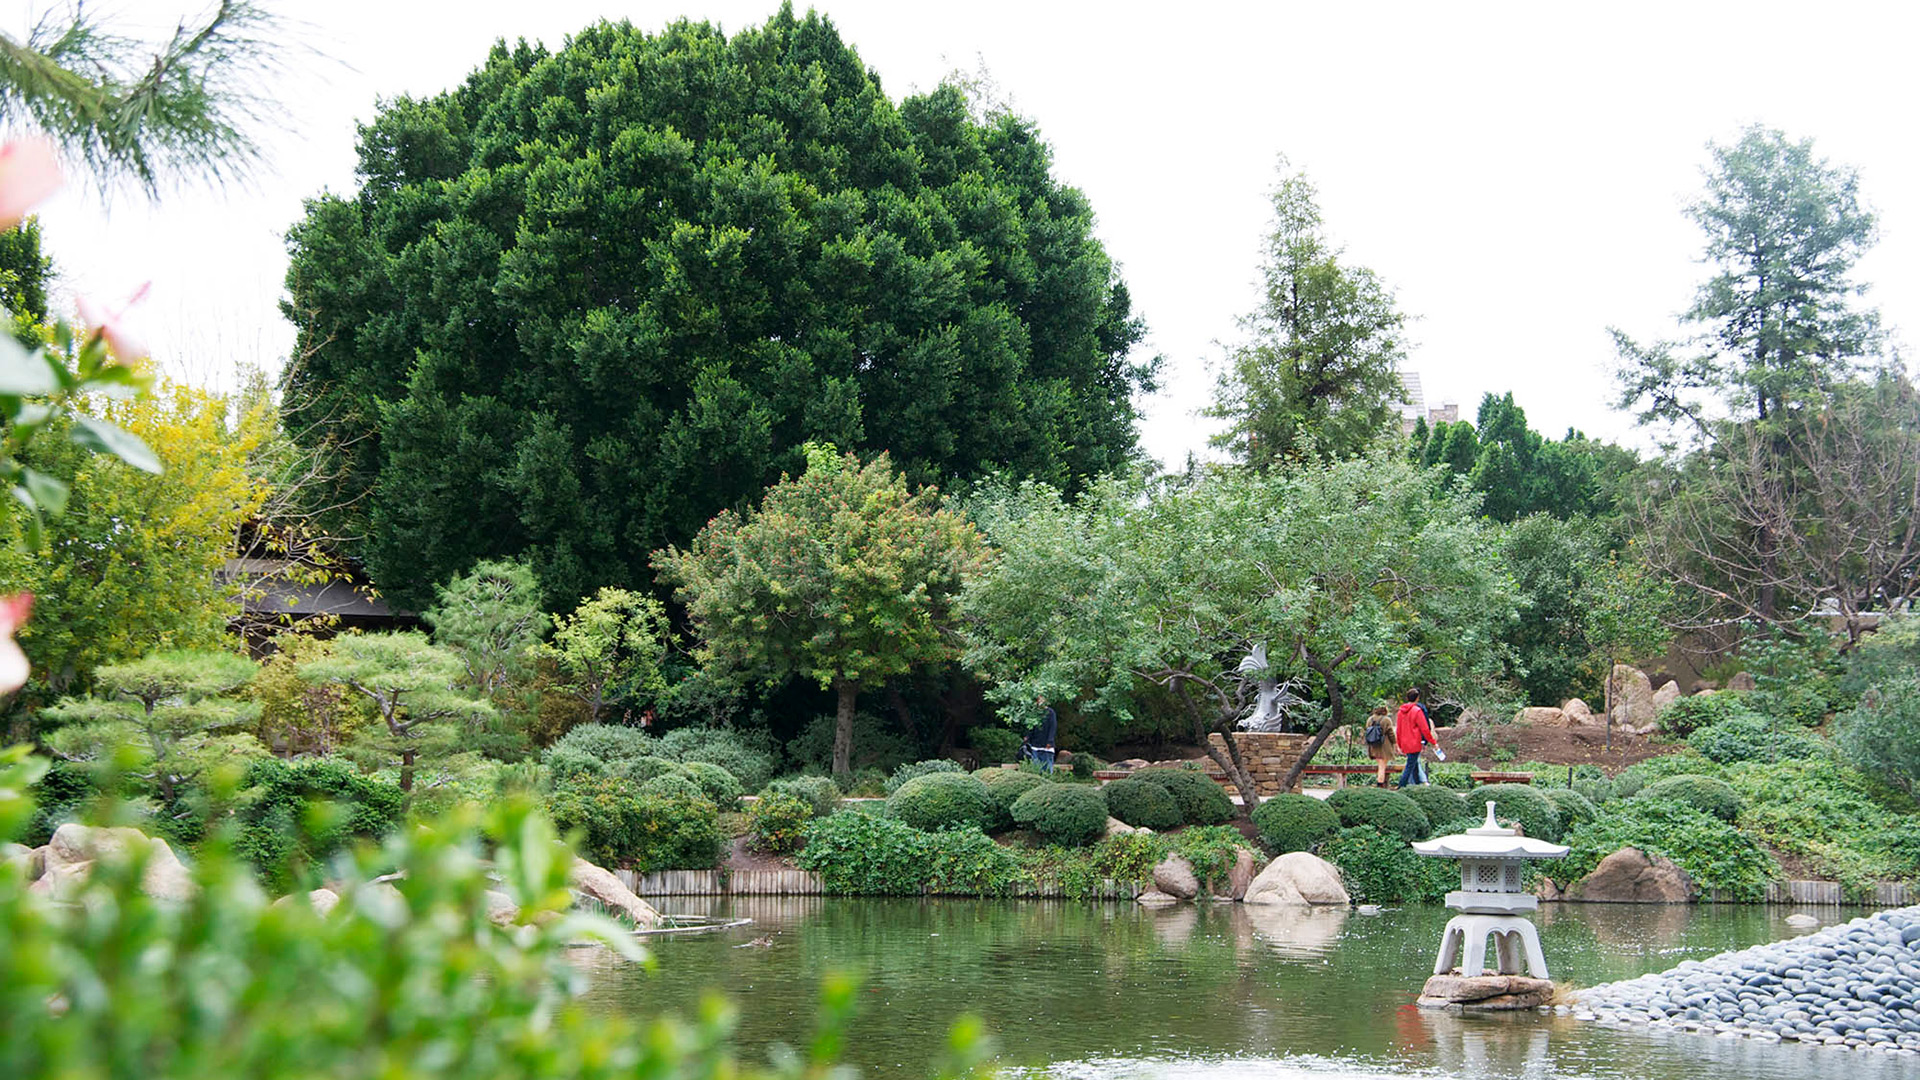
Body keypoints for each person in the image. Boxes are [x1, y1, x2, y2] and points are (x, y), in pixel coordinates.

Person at [1394, 688, 1437, 788]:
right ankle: (1401, 786)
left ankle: (1417, 785)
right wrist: (1433, 742)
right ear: (1417, 698)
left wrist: (1399, 744)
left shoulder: (1401, 712)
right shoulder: (1417, 711)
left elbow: (1398, 729)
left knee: (1413, 764)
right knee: (1410, 766)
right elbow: (1425, 729)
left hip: (1405, 742)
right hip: (1414, 742)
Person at [1025, 694, 1058, 773]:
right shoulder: (1035, 712)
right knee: (1036, 768)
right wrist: (1027, 737)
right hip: (1035, 745)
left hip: (1047, 746)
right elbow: (1031, 726)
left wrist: (1050, 741)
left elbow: (1052, 727)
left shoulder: (1050, 713)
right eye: (1039, 700)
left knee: (1047, 767)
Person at [1363, 705, 1396, 785]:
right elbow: (1390, 733)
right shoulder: (1386, 720)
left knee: (1380, 765)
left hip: (1373, 746)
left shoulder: (1370, 719)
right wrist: (1395, 741)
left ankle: (1381, 782)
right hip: (1383, 747)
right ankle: (1380, 784)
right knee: (1382, 766)